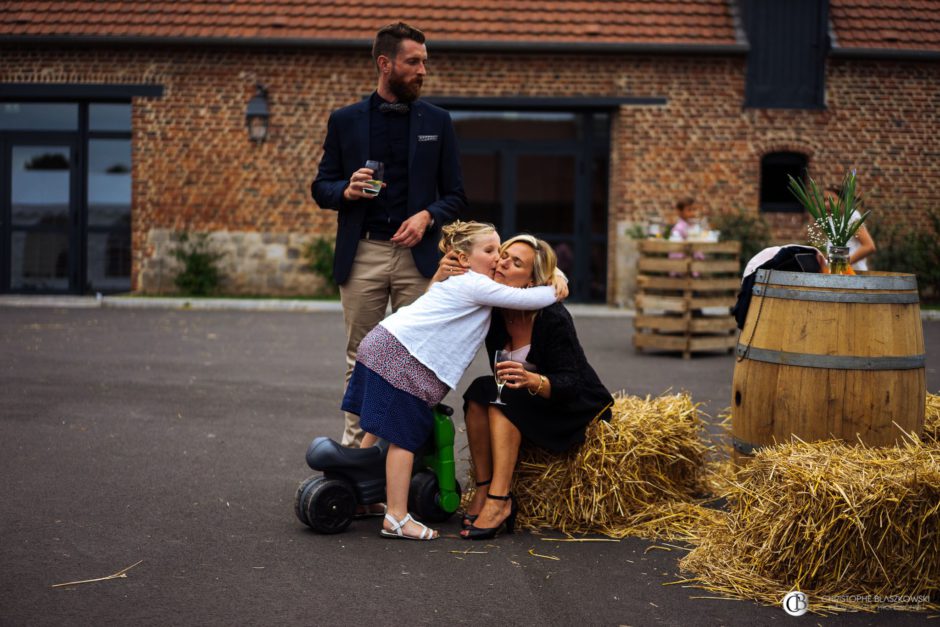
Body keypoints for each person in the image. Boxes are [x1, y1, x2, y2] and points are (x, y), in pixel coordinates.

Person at [343, 222, 564, 541]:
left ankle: (360, 495)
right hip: (404, 357)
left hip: (385, 344)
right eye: (489, 251)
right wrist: (557, 280)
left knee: (377, 427)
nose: (497, 259)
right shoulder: (475, 283)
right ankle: (396, 516)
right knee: (403, 437)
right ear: (462, 257)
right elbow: (528, 299)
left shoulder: (459, 281)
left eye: (499, 250)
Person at [311, 22, 467, 447]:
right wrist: (345, 189)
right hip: (362, 253)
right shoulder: (345, 121)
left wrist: (427, 217)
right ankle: (355, 460)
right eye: (413, 62)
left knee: (419, 357)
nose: (422, 70)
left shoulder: (437, 121)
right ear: (385, 64)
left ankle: (408, 458)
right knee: (361, 356)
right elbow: (320, 188)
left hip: (420, 261)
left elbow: (455, 195)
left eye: (424, 62)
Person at [458, 235, 615, 540]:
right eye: (503, 255)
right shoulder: (496, 310)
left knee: (507, 398)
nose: (502, 262)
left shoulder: (552, 316)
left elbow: (572, 382)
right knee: (479, 391)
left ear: (531, 281)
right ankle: (483, 489)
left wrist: (533, 380)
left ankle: (500, 500)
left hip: (570, 406)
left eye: (516, 262)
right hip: (528, 399)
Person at [824, 187, 876, 271]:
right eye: (824, 200)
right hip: (838, 273)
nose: (826, 204)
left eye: (831, 200)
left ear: (844, 201)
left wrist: (843, 264)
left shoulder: (852, 217)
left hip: (854, 273)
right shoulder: (831, 219)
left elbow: (869, 246)